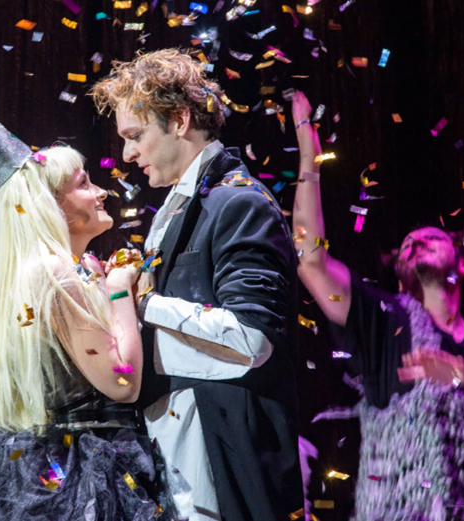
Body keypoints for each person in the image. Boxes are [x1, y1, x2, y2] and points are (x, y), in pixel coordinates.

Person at [0, 90, 179, 519]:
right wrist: (119, 290)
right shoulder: (53, 274)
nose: (101, 192)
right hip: (76, 476)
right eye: (83, 184)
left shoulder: (69, 269)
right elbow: (123, 383)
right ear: (49, 207)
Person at [90, 49, 304, 521]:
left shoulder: (239, 203)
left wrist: (143, 302)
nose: (127, 155)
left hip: (227, 465)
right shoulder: (178, 207)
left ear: (180, 120)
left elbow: (253, 337)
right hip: (177, 462)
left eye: (135, 136)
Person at [291, 89, 464, 519]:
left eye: (431, 238)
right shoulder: (383, 320)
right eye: (407, 245)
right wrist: (310, 155)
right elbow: (310, 260)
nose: (416, 241)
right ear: (400, 274)